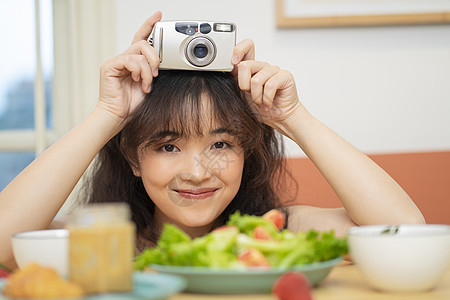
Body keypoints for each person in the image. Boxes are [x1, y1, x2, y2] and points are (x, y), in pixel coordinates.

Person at [0, 11, 424, 268]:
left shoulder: (277, 236)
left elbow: (405, 234)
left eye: (221, 144)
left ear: (246, 150)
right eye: (168, 146)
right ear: (133, 158)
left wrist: (293, 118)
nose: (197, 172)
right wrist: (107, 115)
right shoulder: (107, 246)